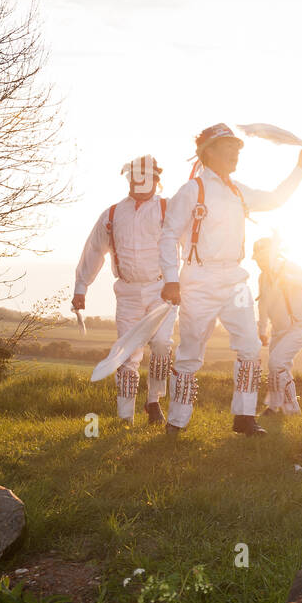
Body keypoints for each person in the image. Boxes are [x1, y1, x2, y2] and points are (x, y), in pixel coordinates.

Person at [159, 123, 302, 436]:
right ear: (208, 152)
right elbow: (168, 235)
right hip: (198, 279)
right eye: (228, 146)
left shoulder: (238, 189)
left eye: (237, 147)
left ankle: (244, 417)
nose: (235, 152)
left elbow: (274, 199)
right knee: (190, 353)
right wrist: (171, 279)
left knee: (250, 347)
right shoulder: (193, 190)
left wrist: (300, 168)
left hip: (235, 279)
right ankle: (176, 422)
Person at [73, 155, 176, 425]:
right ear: (129, 179)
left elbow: (191, 244)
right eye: (134, 179)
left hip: (161, 290)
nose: (139, 185)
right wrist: (81, 286)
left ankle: (154, 401)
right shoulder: (112, 214)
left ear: (156, 179)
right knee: (127, 354)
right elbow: (94, 251)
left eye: (146, 179)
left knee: (163, 345)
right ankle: (124, 417)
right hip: (128, 292)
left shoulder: (170, 210)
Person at [253, 236, 302, 416]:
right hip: (279, 329)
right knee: (278, 367)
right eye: (258, 260)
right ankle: (275, 408)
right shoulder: (263, 277)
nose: (260, 263)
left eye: (263, 258)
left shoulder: (288, 266)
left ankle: (291, 410)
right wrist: (262, 330)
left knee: (277, 363)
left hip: (300, 324)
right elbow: (262, 305)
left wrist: (287, 278)